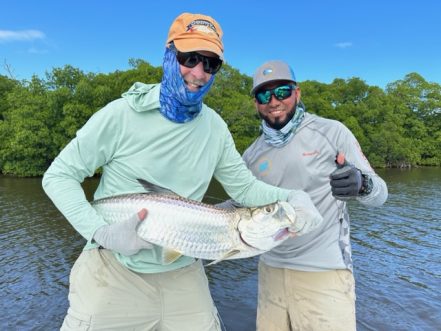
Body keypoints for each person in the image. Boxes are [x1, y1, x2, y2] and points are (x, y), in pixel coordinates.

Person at [42, 14, 323, 331]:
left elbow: (245, 191)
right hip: (112, 270)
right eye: (189, 58)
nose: (198, 72)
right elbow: (58, 176)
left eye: (210, 64)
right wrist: (100, 233)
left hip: (184, 273)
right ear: (168, 54)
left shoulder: (215, 127)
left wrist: (292, 199)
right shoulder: (120, 114)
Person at [243, 60, 388, 330]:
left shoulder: (332, 132)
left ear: (297, 93)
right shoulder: (251, 154)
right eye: (264, 94)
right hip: (270, 272)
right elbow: (239, 207)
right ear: (256, 103)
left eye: (282, 92)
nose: (274, 100)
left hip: (324, 273)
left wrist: (362, 185)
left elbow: (381, 194)